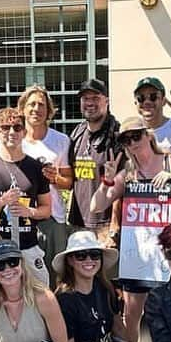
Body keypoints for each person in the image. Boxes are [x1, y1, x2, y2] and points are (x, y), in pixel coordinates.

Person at [91, 115, 171, 342]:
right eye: (126, 139)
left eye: (136, 135)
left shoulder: (169, 160)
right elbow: (96, 206)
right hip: (138, 256)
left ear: (148, 135)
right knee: (131, 316)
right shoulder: (128, 172)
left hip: (170, 254)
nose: (132, 142)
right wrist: (107, 181)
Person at [0, 108, 52, 285]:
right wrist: (1, 201)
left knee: (42, 293)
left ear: (24, 132)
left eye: (17, 127)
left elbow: (46, 210)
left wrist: (28, 211)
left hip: (28, 246)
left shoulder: (36, 168)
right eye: (6, 127)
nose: (12, 132)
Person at [53, 231, 148, 342]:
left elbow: (118, 327)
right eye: (81, 255)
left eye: (95, 254)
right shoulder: (65, 300)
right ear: (70, 261)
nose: (89, 260)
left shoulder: (105, 286)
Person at [17, 85, 73, 287]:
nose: (36, 109)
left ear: (49, 111)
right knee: (24, 278)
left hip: (52, 218)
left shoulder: (61, 140)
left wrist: (55, 177)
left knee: (55, 277)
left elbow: (68, 183)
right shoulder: (13, 139)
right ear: (22, 109)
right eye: (31, 104)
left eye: (41, 104)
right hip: (20, 217)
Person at [68, 78, 123, 244]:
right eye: (86, 99)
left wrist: (114, 225)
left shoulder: (117, 135)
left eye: (95, 98)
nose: (90, 103)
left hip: (104, 227)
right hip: (77, 223)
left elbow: (121, 185)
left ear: (106, 101)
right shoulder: (78, 132)